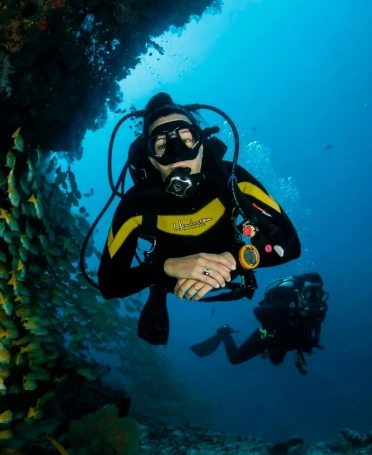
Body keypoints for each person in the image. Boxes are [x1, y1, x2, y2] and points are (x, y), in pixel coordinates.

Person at [96, 93, 301, 345]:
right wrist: (165, 268)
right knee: (158, 282)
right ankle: (157, 291)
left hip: (233, 265)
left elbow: (290, 245)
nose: (176, 154)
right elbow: (109, 284)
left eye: (186, 139)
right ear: (151, 158)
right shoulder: (137, 204)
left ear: (201, 144)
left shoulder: (232, 180)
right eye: (161, 146)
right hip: (170, 280)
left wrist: (235, 260)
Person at [190, 273, 328, 374]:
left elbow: (314, 330)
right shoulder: (284, 301)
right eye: (310, 292)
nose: (314, 298)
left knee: (276, 362)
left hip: (287, 338)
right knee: (235, 359)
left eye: (318, 293)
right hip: (269, 334)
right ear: (299, 292)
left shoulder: (319, 310)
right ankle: (224, 333)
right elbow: (257, 311)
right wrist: (284, 311)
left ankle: (271, 350)